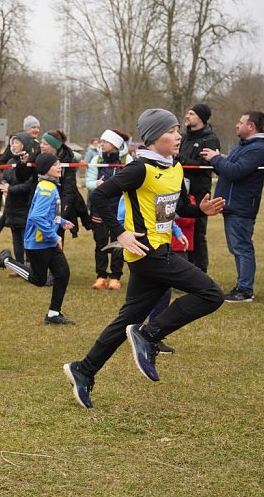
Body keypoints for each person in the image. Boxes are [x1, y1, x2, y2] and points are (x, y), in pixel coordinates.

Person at [63, 108, 226, 409]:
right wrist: (120, 233)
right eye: (170, 131)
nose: (178, 136)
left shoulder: (175, 167)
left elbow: (176, 208)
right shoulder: (139, 169)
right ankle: (148, 336)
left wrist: (199, 210)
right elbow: (100, 196)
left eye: (178, 130)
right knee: (211, 294)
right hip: (148, 253)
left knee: (126, 320)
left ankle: (84, 370)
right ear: (152, 138)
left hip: (157, 252)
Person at [0, 153, 75, 325]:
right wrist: (54, 235)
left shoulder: (49, 185)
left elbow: (48, 213)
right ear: (45, 169)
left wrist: (62, 221)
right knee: (39, 280)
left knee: (62, 274)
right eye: (55, 164)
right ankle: (6, 260)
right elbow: (37, 217)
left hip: (47, 241)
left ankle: (53, 314)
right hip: (39, 242)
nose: (59, 167)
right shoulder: (46, 188)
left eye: (59, 163)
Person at [200, 111, 264, 302]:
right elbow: (228, 170)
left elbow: (236, 171)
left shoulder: (257, 148)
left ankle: (245, 290)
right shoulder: (245, 146)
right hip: (233, 205)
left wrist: (216, 158)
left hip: (242, 206)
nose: (236, 125)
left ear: (251, 126)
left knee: (242, 247)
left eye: (240, 122)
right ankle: (242, 286)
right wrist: (216, 160)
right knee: (237, 247)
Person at [0, 133, 36, 268]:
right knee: (16, 238)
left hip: (24, 205)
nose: (13, 145)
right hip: (11, 205)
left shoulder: (30, 162)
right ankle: (19, 266)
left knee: (26, 238)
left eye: (16, 142)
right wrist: (4, 183)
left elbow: (29, 185)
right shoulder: (10, 162)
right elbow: (4, 177)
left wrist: (11, 189)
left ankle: (30, 265)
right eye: (12, 143)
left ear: (24, 145)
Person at [85, 129, 132, 290]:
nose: (101, 144)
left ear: (115, 144)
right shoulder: (96, 159)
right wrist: (96, 184)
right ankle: (101, 276)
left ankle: (115, 277)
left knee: (118, 242)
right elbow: (88, 182)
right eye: (101, 141)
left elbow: (131, 182)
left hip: (120, 209)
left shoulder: (127, 160)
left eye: (105, 141)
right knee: (101, 242)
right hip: (99, 209)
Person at [179, 103, 221, 273]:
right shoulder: (183, 137)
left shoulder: (209, 139)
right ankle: (184, 268)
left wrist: (180, 158)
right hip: (181, 190)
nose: (187, 116)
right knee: (181, 229)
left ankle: (200, 271)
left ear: (201, 118)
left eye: (191, 114)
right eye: (187, 113)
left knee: (198, 233)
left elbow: (205, 166)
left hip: (199, 192)